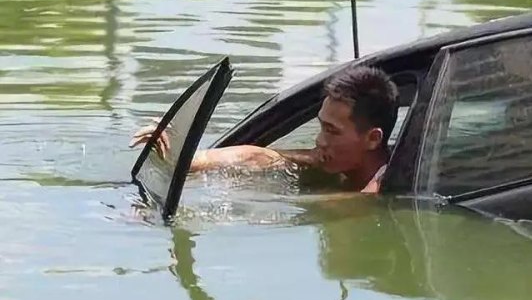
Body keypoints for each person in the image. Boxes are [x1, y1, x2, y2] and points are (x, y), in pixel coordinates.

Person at [130, 66, 399, 194]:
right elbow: (257, 157)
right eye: (321, 127)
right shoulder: (337, 162)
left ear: (372, 139)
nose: (320, 140)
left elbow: (332, 210)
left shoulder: (380, 192)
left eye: (332, 131)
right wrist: (190, 156)